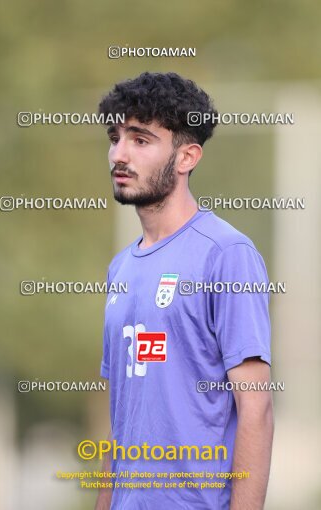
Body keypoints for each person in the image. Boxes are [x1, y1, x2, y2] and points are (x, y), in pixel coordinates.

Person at [95, 72, 274, 510]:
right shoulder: (120, 268)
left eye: (140, 140)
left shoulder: (226, 254)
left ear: (186, 156)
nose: (119, 154)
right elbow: (119, 420)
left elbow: (257, 409)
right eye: (115, 137)